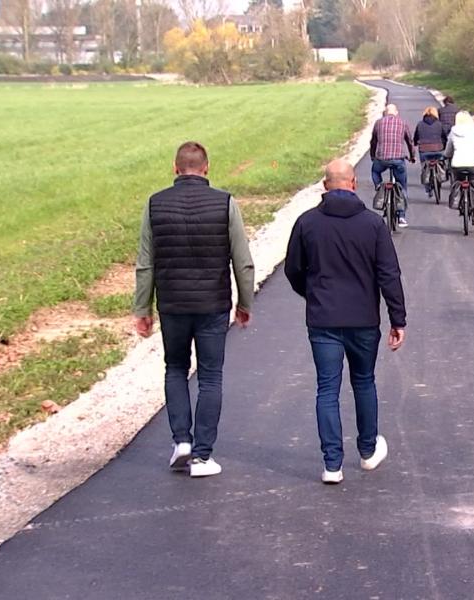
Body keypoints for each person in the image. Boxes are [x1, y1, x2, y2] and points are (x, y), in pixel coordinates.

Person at [133, 141, 255, 478]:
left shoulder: (155, 204)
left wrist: (142, 308)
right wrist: (245, 303)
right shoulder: (225, 203)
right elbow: (243, 262)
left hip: (172, 304)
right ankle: (203, 456)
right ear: (206, 168)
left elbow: (146, 263)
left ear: (175, 168)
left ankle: (181, 442)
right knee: (211, 376)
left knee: (175, 368)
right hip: (213, 304)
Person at [284, 159, 407, 485]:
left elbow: (293, 270)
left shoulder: (307, 223)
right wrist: (398, 318)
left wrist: (312, 294)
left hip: (323, 318)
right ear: (354, 183)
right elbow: (388, 274)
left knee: (327, 388)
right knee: (363, 381)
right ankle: (367, 451)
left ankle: (332, 464)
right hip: (364, 319)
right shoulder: (372, 224)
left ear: (325, 186)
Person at [370, 103, 416, 228]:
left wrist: (373, 156)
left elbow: (373, 141)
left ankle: (379, 187)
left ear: (385, 113)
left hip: (382, 159)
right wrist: (412, 156)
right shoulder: (402, 123)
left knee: (375, 171)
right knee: (402, 186)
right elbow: (410, 142)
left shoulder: (378, 123)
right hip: (398, 160)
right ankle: (401, 216)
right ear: (396, 112)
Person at [444, 110, 474, 223]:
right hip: (472, 164)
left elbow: (449, 149)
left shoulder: (453, 131)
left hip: (457, 164)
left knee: (456, 183)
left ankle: (458, 201)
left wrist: (447, 155)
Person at [413, 106, 448, 199]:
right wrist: (443, 144)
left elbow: (416, 137)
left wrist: (416, 143)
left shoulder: (420, 124)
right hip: (438, 149)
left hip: (424, 150)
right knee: (441, 163)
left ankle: (428, 188)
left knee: (425, 168)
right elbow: (444, 136)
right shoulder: (440, 124)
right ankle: (441, 176)